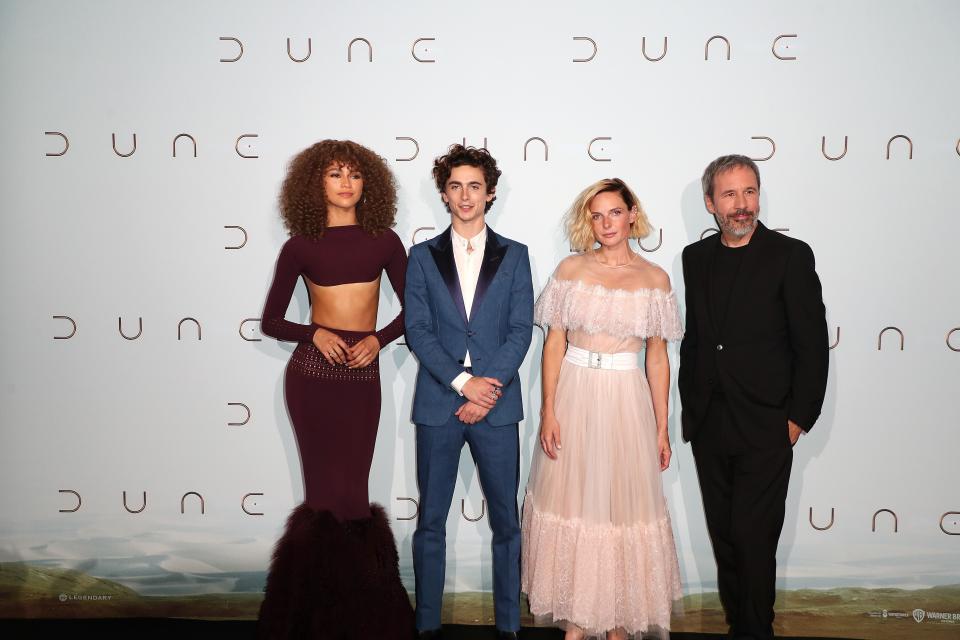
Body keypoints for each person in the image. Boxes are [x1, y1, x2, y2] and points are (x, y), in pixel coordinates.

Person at [257, 139, 414, 638]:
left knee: (355, 497)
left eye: (355, 175)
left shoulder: (385, 240)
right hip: (313, 379)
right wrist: (313, 332)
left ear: (369, 184)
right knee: (323, 498)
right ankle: (307, 620)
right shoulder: (300, 244)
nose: (346, 184)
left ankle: (366, 618)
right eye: (334, 175)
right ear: (316, 184)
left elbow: (417, 312)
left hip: (362, 378)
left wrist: (379, 339)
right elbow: (271, 321)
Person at [521, 178, 683, 640]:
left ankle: (617, 624)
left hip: (625, 400)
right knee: (574, 507)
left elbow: (657, 357)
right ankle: (576, 622)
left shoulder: (655, 279)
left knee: (620, 512)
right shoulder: (571, 270)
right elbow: (553, 344)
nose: (606, 223)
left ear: (633, 214)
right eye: (597, 215)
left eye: (614, 212)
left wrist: (661, 427)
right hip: (574, 394)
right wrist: (549, 410)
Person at [679, 155, 829, 640]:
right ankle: (738, 626)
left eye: (749, 192)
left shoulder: (790, 255)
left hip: (766, 424)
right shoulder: (694, 259)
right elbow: (698, 339)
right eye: (729, 195)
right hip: (711, 424)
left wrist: (798, 417)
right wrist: (691, 410)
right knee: (725, 541)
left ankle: (754, 631)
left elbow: (811, 343)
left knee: (753, 539)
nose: (742, 205)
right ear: (710, 203)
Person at [405, 144, 534, 639]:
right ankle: (427, 626)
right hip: (440, 404)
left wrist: (487, 392)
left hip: (497, 411)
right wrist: (463, 385)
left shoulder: (516, 255)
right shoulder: (421, 256)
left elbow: (521, 330)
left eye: (474, 186)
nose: (465, 195)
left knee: (507, 525)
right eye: (456, 186)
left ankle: (508, 627)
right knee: (431, 523)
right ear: (444, 193)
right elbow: (418, 330)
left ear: (490, 192)